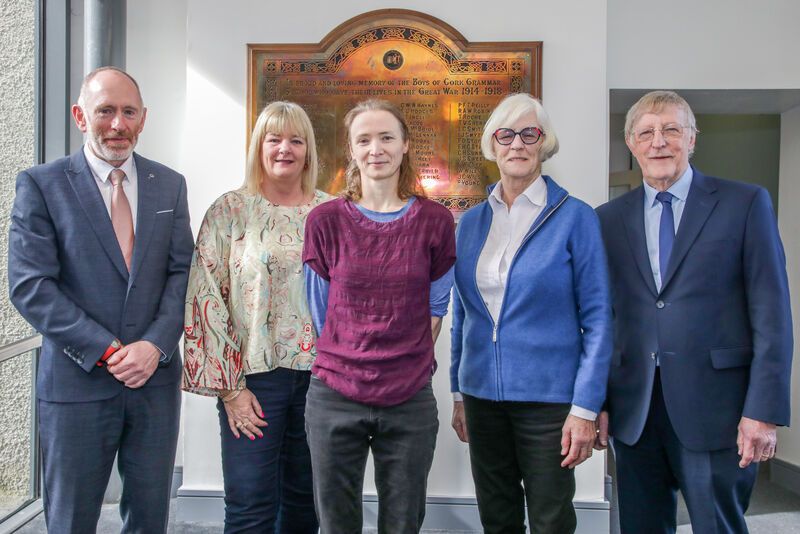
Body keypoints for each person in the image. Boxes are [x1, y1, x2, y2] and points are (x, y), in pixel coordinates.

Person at [595, 90, 793, 534]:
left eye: (671, 130)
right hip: (635, 412)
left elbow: (772, 314)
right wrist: (599, 402)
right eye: (646, 132)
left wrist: (763, 410)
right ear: (630, 142)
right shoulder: (606, 219)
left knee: (717, 526)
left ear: (692, 138)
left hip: (718, 410)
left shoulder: (744, 204)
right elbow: (604, 318)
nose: (658, 142)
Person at [7, 67, 193, 533]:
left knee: (150, 518)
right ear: (80, 116)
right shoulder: (42, 185)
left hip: (154, 382)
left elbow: (182, 274)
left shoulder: (169, 184)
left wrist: (154, 345)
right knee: (71, 520)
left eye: (128, 112)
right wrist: (108, 351)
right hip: (77, 383)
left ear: (143, 118)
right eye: (105, 111)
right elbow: (31, 285)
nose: (117, 124)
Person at [449, 92, 612, 534]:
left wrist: (585, 406)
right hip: (482, 397)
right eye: (506, 134)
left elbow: (598, 320)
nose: (517, 143)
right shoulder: (471, 223)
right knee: (497, 515)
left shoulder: (576, 218)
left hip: (550, 402)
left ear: (543, 143)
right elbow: (463, 313)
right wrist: (459, 393)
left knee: (550, 518)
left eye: (529, 133)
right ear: (493, 145)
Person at [302, 99, 456, 534]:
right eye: (364, 139)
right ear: (351, 150)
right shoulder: (325, 220)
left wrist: (399, 358)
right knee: (336, 522)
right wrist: (354, 353)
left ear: (406, 144)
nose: (376, 148)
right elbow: (320, 312)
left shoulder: (435, 221)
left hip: (408, 396)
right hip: (334, 392)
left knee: (403, 521)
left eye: (386, 137)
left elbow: (436, 307)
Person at [182, 101, 331, 533]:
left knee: (307, 506)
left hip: (321, 381)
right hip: (253, 381)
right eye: (274, 138)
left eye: (296, 139)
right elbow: (204, 298)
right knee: (251, 505)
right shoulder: (229, 211)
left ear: (309, 150)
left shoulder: (332, 213)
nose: (285, 148)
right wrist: (230, 391)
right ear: (258, 147)